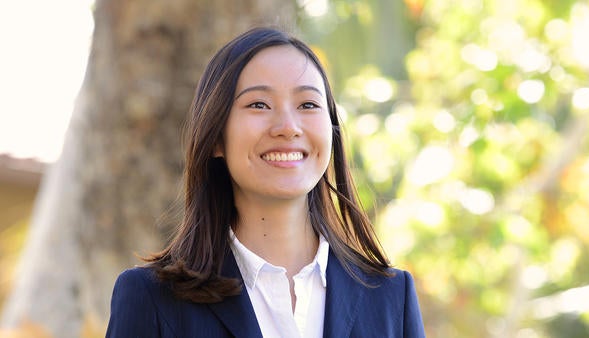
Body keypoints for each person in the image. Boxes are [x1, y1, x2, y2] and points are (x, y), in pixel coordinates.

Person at [106, 27, 425, 338]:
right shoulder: (152, 299)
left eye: (308, 105)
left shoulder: (391, 297)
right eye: (259, 104)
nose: (288, 127)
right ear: (216, 137)